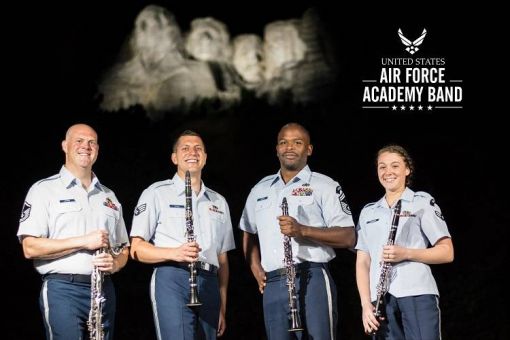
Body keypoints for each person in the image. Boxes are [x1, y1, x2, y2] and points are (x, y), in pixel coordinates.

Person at [239, 122, 355, 340]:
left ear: (309, 149)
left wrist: (303, 230)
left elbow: (349, 236)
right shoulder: (260, 189)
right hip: (273, 282)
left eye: (297, 142)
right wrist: (255, 266)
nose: (289, 147)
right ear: (276, 149)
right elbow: (248, 230)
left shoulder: (325, 185)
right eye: (283, 142)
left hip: (313, 276)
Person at [17, 123, 130, 340]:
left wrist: (115, 263)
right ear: (65, 146)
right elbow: (30, 248)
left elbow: (123, 248)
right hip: (63, 288)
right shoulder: (43, 189)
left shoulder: (109, 197)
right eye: (79, 141)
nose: (86, 146)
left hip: (104, 290)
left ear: (97, 149)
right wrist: (83, 242)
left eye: (91, 142)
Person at [130, 130, 235, 339]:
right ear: (174, 157)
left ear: (205, 157)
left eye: (198, 148)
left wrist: (222, 304)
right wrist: (175, 253)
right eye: (185, 148)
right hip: (172, 277)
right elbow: (136, 249)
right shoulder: (156, 193)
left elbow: (223, 259)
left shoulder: (219, 201)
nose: (192, 152)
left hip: (209, 281)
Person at [355, 144, 454, 339]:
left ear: (407, 169)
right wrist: (366, 304)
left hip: (416, 292)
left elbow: (447, 252)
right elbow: (363, 262)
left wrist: (407, 253)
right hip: (380, 300)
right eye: (382, 167)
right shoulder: (368, 212)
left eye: (395, 166)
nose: (388, 172)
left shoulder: (422, 202)